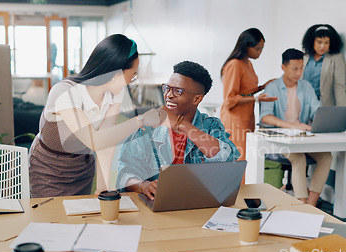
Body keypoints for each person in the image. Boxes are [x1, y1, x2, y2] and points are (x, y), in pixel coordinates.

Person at [29, 34, 161, 198]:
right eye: (132, 74)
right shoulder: (65, 92)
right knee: (51, 218)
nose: (131, 80)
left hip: (82, 167)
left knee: (79, 217)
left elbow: (106, 142)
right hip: (49, 168)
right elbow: (95, 140)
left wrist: (104, 187)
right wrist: (140, 120)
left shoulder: (114, 93)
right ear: (116, 74)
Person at [116, 61, 240, 199]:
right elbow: (125, 171)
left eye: (177, 91)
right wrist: (142, 185)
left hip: (199, 202)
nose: (168, 95)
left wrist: (182, 125)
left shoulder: (211, 126)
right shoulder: (148, 127)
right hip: (158, 204)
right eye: (167, 88)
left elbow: (228, 160)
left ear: (196, 99)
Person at [260, 48, 332, 206]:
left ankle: (310, 206)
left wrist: (324, 119)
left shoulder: (306, 87)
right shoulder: (272, 87)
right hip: (281, 140)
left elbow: (316, 110)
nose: (299, 73)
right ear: (283, 67)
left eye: (301, 68)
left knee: (326, 156)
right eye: (294, 69)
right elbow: (265, 116)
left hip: (302, 138)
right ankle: (301, 204)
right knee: (299, 158)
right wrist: (292, 125)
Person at [220, 28, 277, 163]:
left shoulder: (248, 63)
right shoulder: (234, 64)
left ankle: (245, 184)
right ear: (246, 46)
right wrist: (257, 98)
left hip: (247, 117)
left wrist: (262, 87)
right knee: (239, 157)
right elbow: (230, 99)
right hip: (235, 119)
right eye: (257, 49)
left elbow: (245, 90)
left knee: (247, 156)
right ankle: (238, 185)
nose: (260, 52)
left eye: (262, 48)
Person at [302, 24, 346, 106]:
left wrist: (342, 112)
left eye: (326, 43)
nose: (322, 46)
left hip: (323, 106)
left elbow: (339, 87)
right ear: (312, 42)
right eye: (319, 42)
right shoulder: (305, 57)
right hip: (303, 106)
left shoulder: (336, 59)